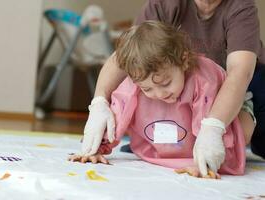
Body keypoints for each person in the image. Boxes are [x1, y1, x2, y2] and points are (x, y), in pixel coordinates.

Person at [81, 0, 265, 177]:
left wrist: (213, 133)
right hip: (178, 78)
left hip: (234, 84)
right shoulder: (165, 4)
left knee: (243, 131)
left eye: (164, 85)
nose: (159, 93)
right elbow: (129, 53)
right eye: (148, 88)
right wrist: (99, 105)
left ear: (184, 60)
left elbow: (240, 73)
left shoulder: (240, 8)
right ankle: (170, 145)